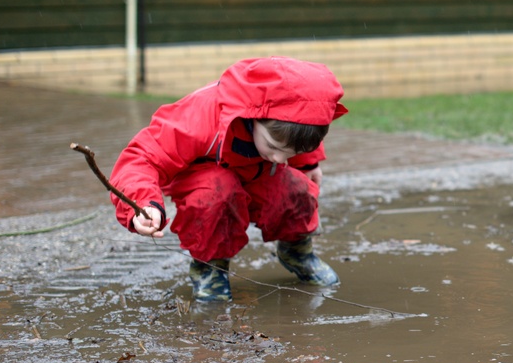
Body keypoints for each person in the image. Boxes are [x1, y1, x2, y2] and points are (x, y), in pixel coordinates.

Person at [109, 56, 348, 302]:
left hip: (255, 169)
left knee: (296, 190)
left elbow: (300, 126)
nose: (280, 159)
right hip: (205, 175)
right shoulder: (199, 117)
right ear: (255, 116)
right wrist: (143, 203)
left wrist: (308, 162)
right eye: (274, 146)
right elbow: (142, 158)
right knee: (216, 194)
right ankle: (210, 267)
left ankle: (297, 251)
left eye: (292, 153)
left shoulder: (285, 129)